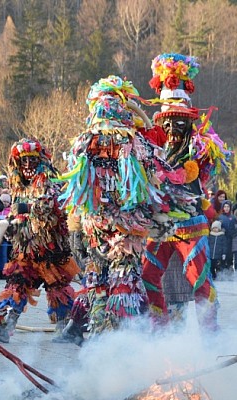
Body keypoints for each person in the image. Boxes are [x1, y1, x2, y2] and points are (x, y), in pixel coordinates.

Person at [55, 76, 186, 343]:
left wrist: (76, 226)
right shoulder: (137, 144)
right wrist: (161, 214)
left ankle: (101, 335)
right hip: (127, 227)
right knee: (122, 278)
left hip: (97, 225)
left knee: (97, 278)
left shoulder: (84, 144)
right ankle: (117, 338)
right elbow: (159, 181)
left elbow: (76, 193)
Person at [141, 53, 231, 331]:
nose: (172, 128)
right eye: (166, 122)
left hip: (191, 223)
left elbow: (204, 174)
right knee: (147, 276)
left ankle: (211, 337)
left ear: (190, 122)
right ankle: (162, 330)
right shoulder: (150, 146)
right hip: (160, 225)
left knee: (200, 281)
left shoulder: (202, 146)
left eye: (179, 122)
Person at [0, 138, 79, 342]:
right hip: (25, 249)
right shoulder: (18, 187)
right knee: (16, 284)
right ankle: (6, 326)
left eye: (32, 160)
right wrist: (9, 225)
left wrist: (28, 208)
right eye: (23, 160)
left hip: (50, 248)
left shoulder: (49, 180)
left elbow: (55, 205)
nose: (27, 165)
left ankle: (64, 329)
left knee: (57, 287)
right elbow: (17, 214)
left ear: (40, 161)